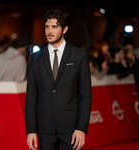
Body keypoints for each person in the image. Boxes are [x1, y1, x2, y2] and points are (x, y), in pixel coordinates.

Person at [25, 9, 92, 150]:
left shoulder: (79, 56)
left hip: (71, 127)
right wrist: (31, 130)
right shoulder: (35, 59)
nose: (49, 31)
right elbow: (31, 96)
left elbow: (85, 95)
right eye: (47, 26)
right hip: (45, 127)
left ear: (65, 29)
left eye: (54, 27)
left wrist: (81, 128)